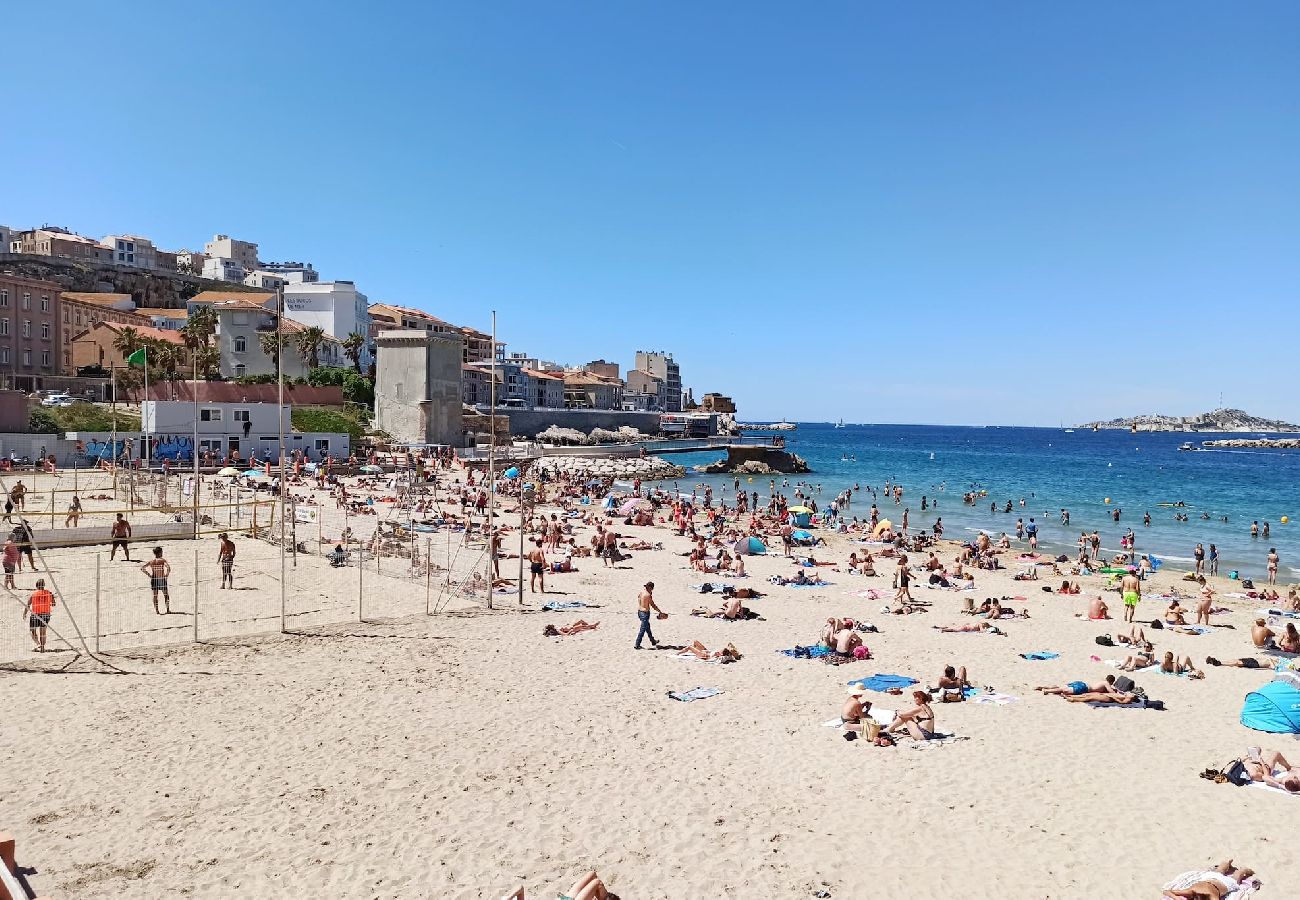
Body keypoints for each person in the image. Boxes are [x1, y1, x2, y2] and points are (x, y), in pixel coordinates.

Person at [1164, 860, 1258, 900]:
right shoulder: (1192, 892)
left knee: (1236, 877)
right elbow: (1166, 891)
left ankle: (1243, 869)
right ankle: (1227, 862)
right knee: (1220, 870)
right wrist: (1177, 898)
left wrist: (1176, 898)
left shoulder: (1212, 897)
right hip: (1211, 879)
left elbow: (1166, 891)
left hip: (1223, 883)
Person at [23, 578, 56, 653]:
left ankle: (38, 644)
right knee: (43, 632)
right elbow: (54, 604)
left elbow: (28, 605)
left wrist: (24, 613)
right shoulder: (49, 593)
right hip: (46, 614)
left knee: (32, 630)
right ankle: (42, 647)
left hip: (35, 614)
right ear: (44, 585)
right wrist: (51, 598)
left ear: (36, 586)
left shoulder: (33, 594)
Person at [141, 546, 172, 614]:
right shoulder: (162, 560)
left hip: (154, 579)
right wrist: (166, 575)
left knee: (155, 595)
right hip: (161, 579)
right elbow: (168, 568)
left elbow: (142, 568)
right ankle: (167, 609)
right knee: (166, 594)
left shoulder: (151, 561)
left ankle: (157, 610)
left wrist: (149, 575)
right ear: (160, 553)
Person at [634, 581, 663, 650]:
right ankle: (637, 644)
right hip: (645, 613)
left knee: (647, 628)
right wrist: (660, 612)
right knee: (642, 630)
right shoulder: (648, 595)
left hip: (639, 611)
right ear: (650, 588)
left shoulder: (642, 592)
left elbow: (639, 598)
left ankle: (653, 641)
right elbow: (653, 605)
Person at [1036, 675, 1118, 696]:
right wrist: (1117, 692)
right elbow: (1111, 692)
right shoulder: (1106, 683)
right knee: (1064, 690)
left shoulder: (1101, 681)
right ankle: (1047, 690)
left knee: (1062, 687)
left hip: (1082, 683)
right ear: (1111, 682)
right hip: (1084, 688)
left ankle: (1044, 687)